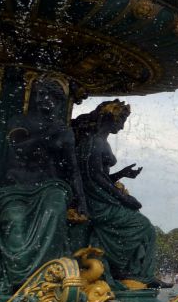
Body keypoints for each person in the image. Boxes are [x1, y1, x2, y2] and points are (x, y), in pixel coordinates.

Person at [0, 77, 89, 294]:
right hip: (15, 187)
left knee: (55, 208)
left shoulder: (64, 131)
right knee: (13, 219)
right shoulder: (18, 122)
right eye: (40, 94)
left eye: (51, 97)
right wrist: (45, 138)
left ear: (58, 102)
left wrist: (81, 202)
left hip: (50, 187)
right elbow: (16, 152)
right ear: (33, 97)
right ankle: (17, 277)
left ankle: (44, 279)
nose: (44, 100)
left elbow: (72, 169)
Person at [71, 100, 168, 290]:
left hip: (98, 197)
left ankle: (131, 272)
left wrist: (121, 174)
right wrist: (123, 198)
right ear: (110, 118)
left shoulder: (95, 141)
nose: (123, 126)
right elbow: (96, 178)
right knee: (144, 226)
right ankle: (140, 275)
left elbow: (100, 176)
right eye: (122, 120)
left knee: (138, 220)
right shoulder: (95, 142)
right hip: (96, 203)